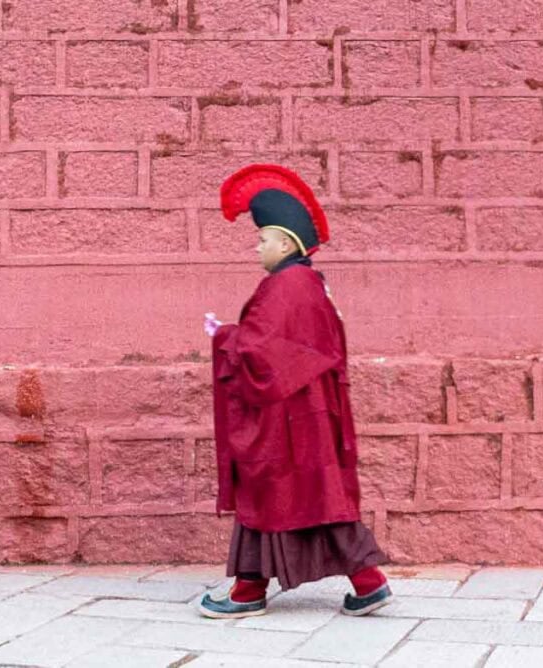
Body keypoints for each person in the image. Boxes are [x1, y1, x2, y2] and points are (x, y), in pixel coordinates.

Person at [198, 164, 392, 619]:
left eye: (262, 239)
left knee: (268, 490)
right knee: (318, 493)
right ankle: (368, 583)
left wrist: (224, 336)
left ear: (286, 243)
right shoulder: (308, 284)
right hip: (308, 414)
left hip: (284, 418)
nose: (257, 247)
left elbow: (262, 351)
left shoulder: (286, 286)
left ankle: (248, 591)